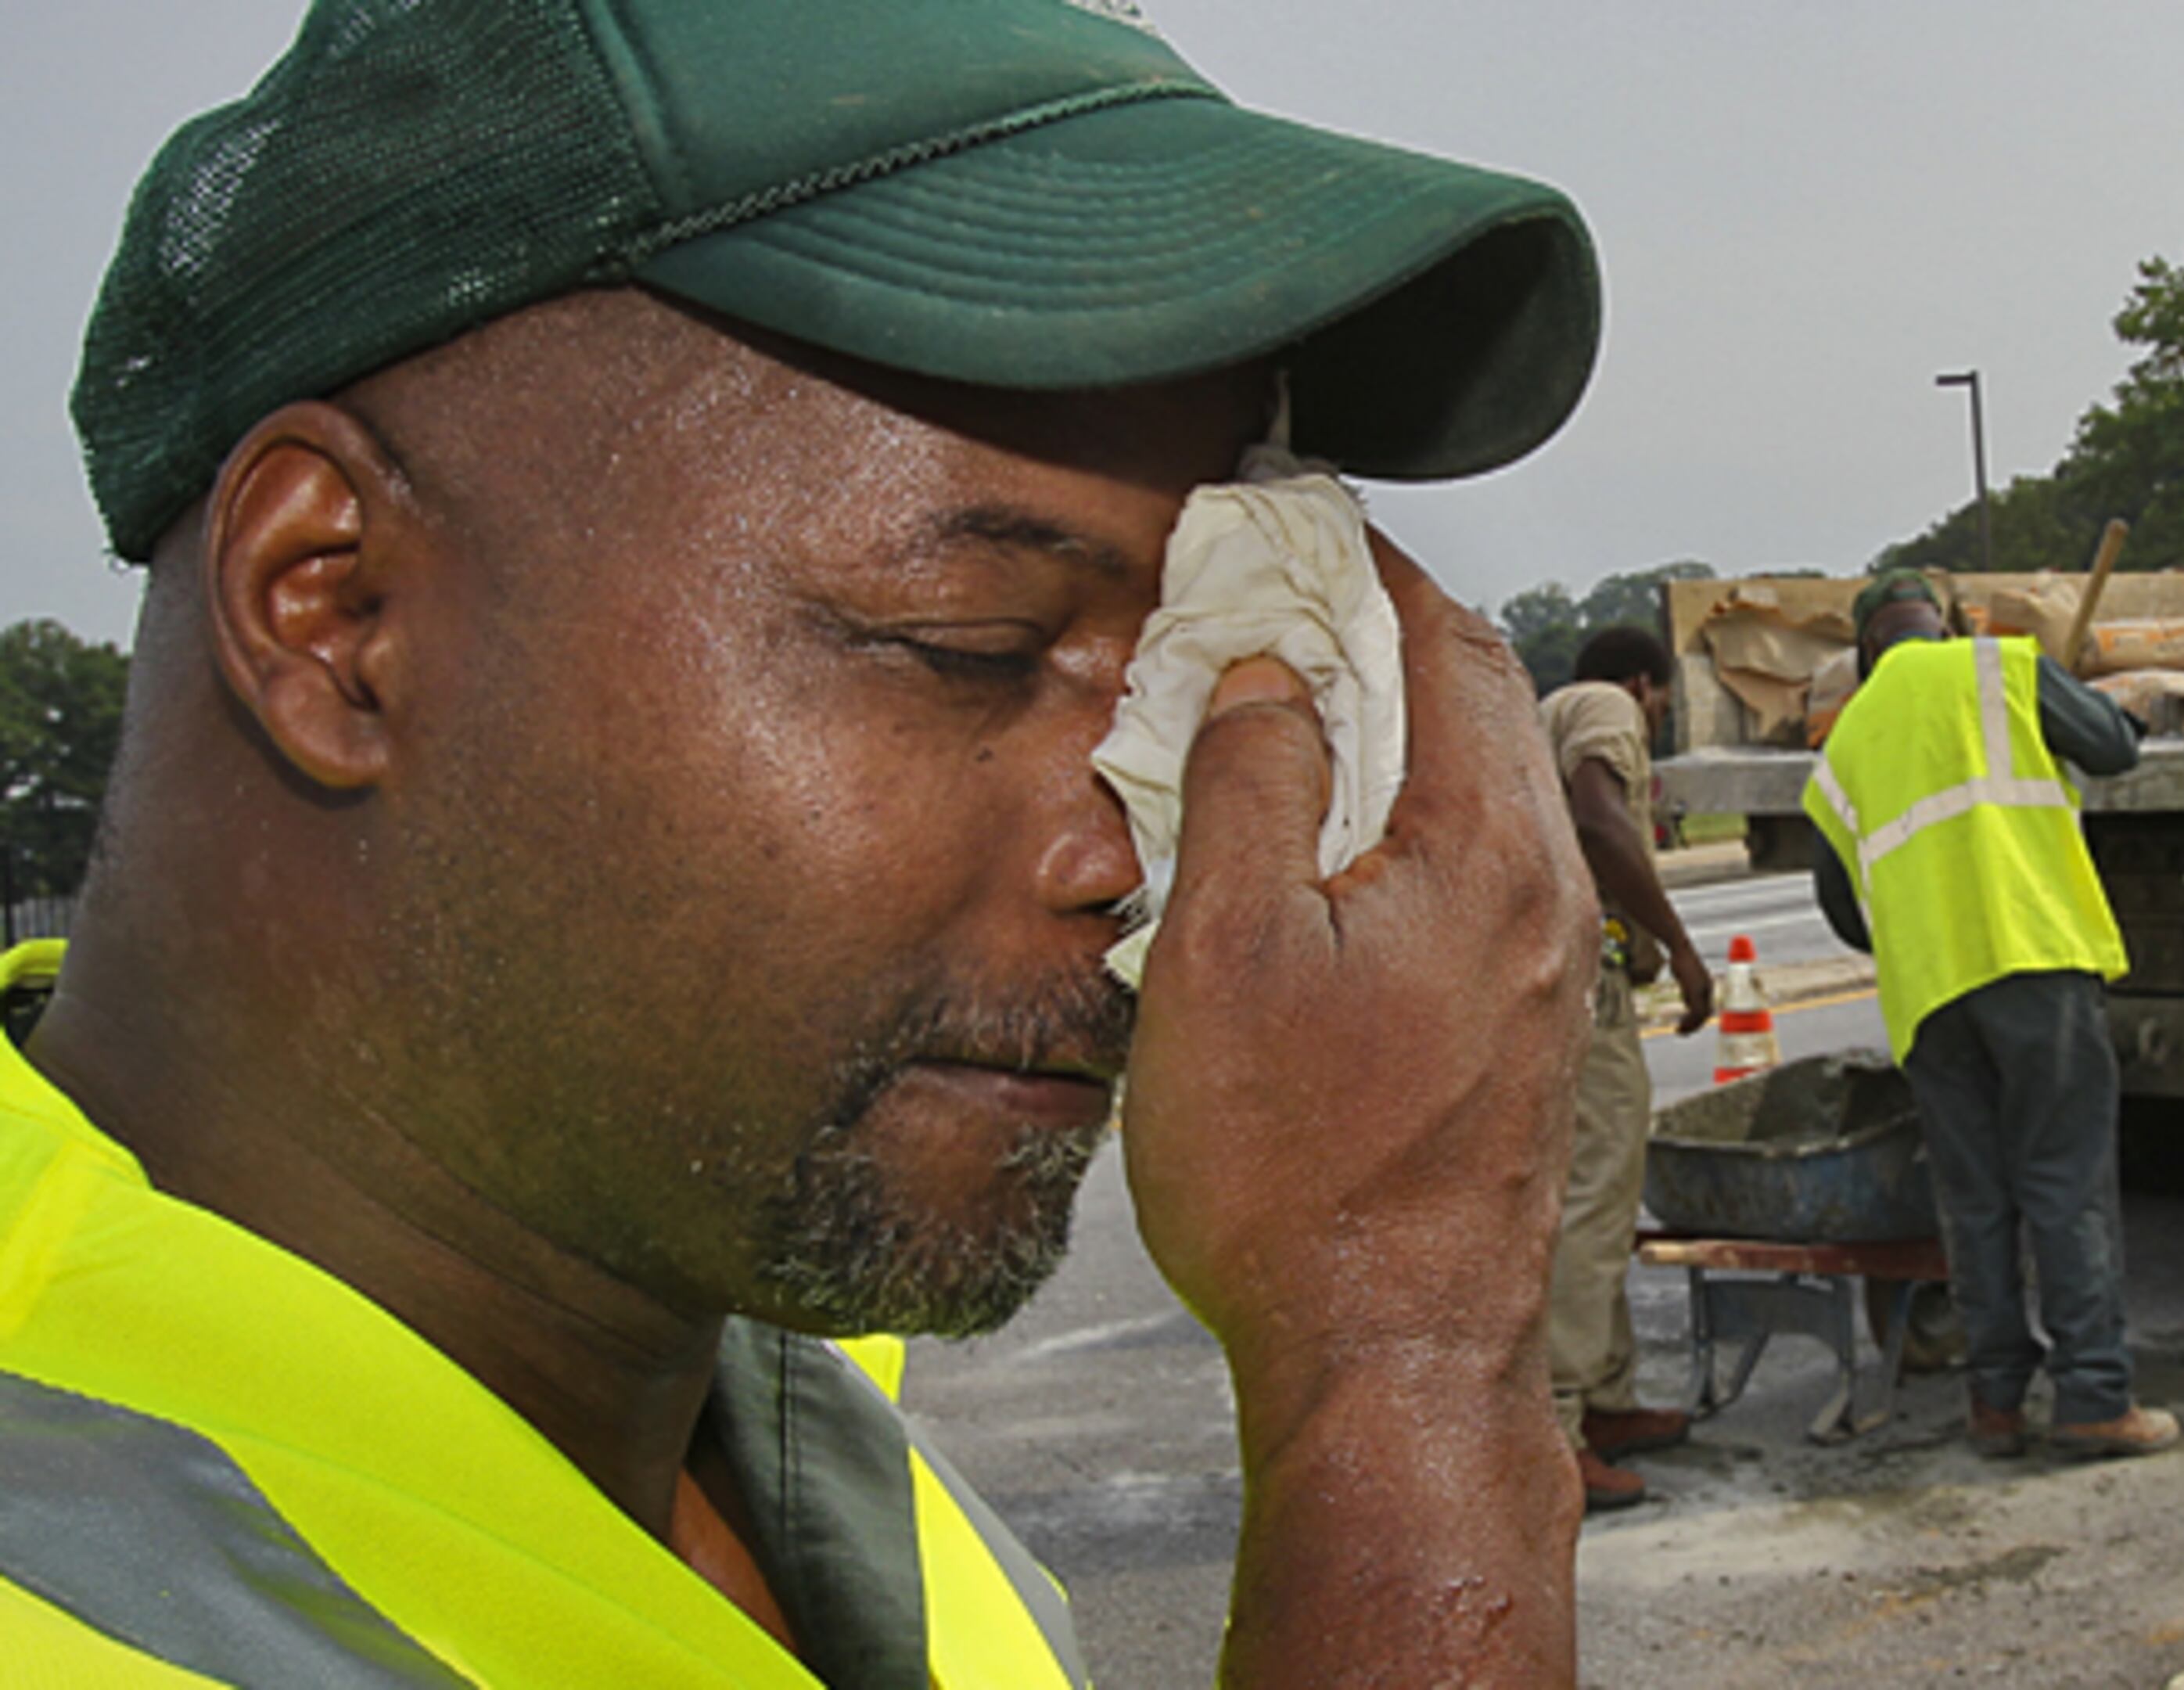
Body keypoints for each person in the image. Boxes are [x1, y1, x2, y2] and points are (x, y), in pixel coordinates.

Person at [5, 2, 1607, 1684]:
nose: (1141, 856)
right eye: (971, 638)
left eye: (1180, 682)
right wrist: (1397, 1375)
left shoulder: (772, 1412)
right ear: (333, 608)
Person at [1803, 572, 2179, 1462]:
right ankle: (2092, 1397)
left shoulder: (1844, 741)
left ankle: (1996, 1405)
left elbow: (1842, 907)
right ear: (1949, 622)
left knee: (1973, 1203)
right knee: (2065, 1181)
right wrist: (2107, 706)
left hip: (1932, 993)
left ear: (1866, 652)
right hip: (2034, 957)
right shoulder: (1999, 667)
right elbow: (2114, 750)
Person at [1537, 625, 1714, 1510]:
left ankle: (1604, 1400)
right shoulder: (1606, 706)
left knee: (1588, 1190)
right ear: (1646, 683)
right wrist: (1680, 948)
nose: (1657, 717)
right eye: (1664, 703)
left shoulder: (1546, 712)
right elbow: (1597, 820)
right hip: (1579, 988)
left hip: (1554, 976)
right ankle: (1558, 1430)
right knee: (1595, 1194)